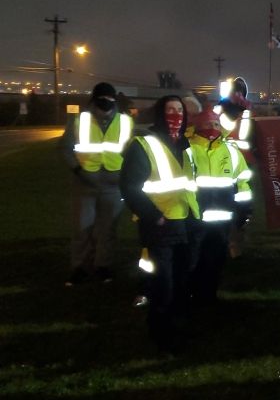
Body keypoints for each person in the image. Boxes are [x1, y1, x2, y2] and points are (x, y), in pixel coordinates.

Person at [120, 96, 200, 350]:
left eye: (179, 110)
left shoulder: (185, 144)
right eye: (170, 110)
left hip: (186, 222)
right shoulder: (143, 144)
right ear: (159, 114)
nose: (176, 115)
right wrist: (154, 215)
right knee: (162, 283)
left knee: (181, 280)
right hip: (160, 225)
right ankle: (161, 334)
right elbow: (129, 187)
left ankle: (179, 327)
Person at [60, 82, 135, 285]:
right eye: (102, 99)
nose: (107, 103)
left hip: (113, 184)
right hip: (84, 183)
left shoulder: (125, 122)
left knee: (108, 229)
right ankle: (79, 268)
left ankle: (103, 266)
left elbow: (131, 151)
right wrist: (77, 170)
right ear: (94, 99)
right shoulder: (79, 120)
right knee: (81, 228)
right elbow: (65, 147)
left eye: (111, 99)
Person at [188, 104, 253, 304]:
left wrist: (244, 211)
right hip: (194, 218)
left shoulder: (231, 151)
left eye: (216, 123)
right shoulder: (187, 149)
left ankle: (209, 295)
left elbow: (242, 182)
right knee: (192, 260)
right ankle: (190, 294)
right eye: (208, 123)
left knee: (216, 259)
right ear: (198, 126)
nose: (213, 127)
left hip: (222, 220)